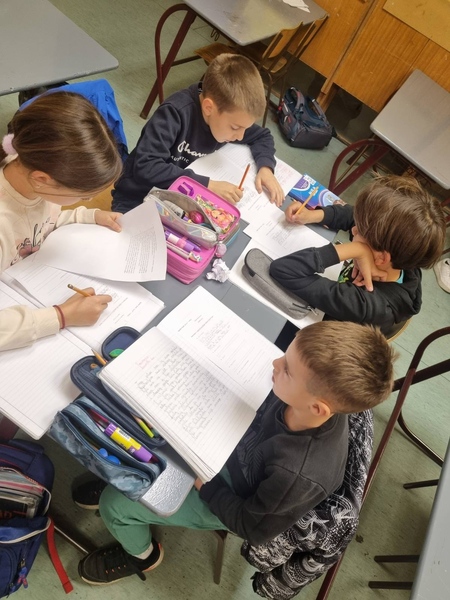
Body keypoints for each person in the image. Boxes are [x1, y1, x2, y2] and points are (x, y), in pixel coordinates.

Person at [76, 321, 396, 586]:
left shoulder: (298, 474)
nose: (275, 364)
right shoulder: (301, 401)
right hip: (225, 447)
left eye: (287, 369)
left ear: (317, 408)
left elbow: (250, 526)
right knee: (136, 432)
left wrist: (206, 486)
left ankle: (143, 556)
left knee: (114, 505)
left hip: (229, 496)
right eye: (284, 357)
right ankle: (121, 480)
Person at [0, 91, 124, 352]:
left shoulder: (28, 170)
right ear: (42, 179)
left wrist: (89, 215)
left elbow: (45, 219)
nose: (87, 200)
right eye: (84, 195)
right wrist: (61, 316)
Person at [270, 176, 446, 341]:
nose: (354, 229)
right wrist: (313, 215)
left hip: (315, 333)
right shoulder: (402, 256)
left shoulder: (364, 305)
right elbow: (353, 215)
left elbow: (284, 270)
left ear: (381, 257)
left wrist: (355, 249)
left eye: (360, 232)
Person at [111, 53, 284, 213]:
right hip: (137, 196)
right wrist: (206, 185)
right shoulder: (175, 113)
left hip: (181, 201)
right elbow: (147, 166)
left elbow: (263, 136)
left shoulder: (229, 115)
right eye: (235, 128)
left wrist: (266, 168)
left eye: (245, 128)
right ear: (209, 108)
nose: (240, 136)